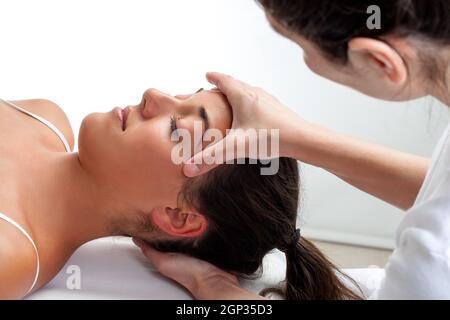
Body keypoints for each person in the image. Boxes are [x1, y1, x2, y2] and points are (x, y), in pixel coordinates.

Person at [135, 0, 450, 299]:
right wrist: (299, 137)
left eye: (302, 48)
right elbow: (438, 185)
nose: (152, 94)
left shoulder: (437, 253)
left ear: (379, 61)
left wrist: (215, 288)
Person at [0, 88, 361, 300]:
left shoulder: (10, 255)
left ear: (179, 217)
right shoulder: (43, 118)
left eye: (177, 129)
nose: (153, 96)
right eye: (181, 95)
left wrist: (214, 288)